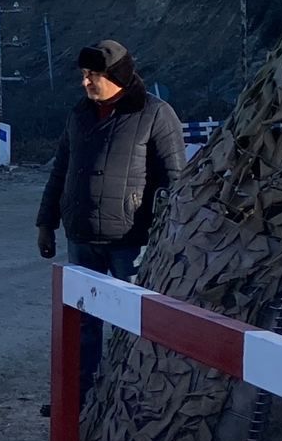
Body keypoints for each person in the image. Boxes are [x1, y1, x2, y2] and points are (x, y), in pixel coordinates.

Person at [36, 39, 185, 404]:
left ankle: (130, 401)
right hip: (82, 235)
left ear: (116, 76)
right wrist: (46, 222)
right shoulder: (79, 114)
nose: (85, 83)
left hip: (131, 240)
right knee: (82, 325)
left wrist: (167, 233)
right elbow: (61, 171)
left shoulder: (154, 114)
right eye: (84, 76)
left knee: (133, 325)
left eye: (93, 76)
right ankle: (78, 400)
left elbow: (176, 179)